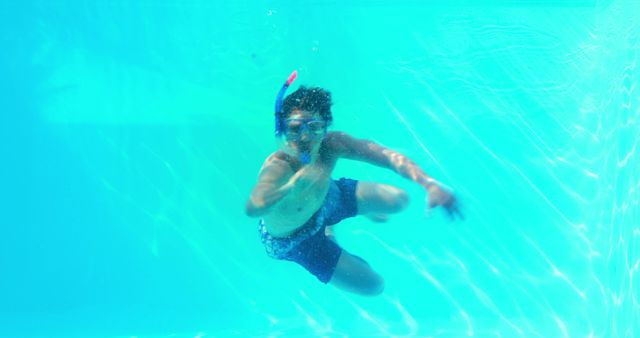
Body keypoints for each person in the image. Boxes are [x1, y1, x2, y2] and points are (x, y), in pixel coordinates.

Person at [245, 76, 462, 296]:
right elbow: (254, 206)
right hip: (299, 240)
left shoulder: (332, 145)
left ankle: (348, 213)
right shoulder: (280, 166)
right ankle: (330, 235)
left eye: (315, 128)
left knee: (398, 200)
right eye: (295, 128)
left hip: (328, 197)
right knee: (374, 286)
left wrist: (429, 184)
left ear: (326, 129)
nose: (304, 137)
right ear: (282, 130)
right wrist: (288, 188)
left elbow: (387, 156)